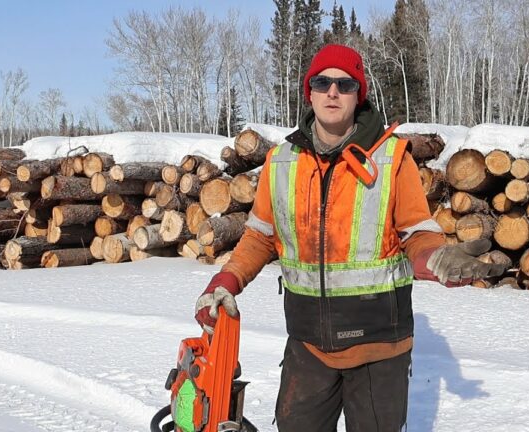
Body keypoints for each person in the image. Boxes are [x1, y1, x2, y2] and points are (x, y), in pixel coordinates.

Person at [194, 44, 507, 431]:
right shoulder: (281, 160)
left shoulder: (392, 157)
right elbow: (260, 237)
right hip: (307, 343)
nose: (332, 92)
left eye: (345, 84)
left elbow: (417, 233)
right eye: (322, 82)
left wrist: (434, 258)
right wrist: (226, 279)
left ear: (359, 95)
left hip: (380, 348)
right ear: (309, 91)